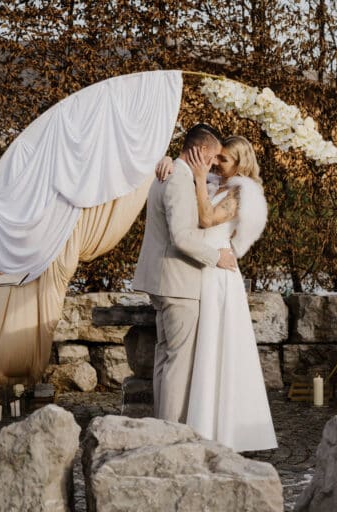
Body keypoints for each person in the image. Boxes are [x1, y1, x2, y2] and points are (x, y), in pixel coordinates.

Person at [156, 135, 277, 452]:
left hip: (220, 273)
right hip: (202, 269)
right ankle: (197, 423)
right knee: (196, 352)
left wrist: (198, 178)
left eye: (223, 159)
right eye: (216, 157)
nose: (215, 163)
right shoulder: (210, 183)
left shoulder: (240, 192)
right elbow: (183, 194)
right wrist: (169, 161)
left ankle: (223, 429)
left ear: (239, 163)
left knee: (218, 347)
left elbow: (207, 218)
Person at [133, 124, 238, 423]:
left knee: (165, 358)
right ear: (202, 151)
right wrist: (216, 257)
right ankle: (171, 432)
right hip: (178, 283)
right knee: (177, 365)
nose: (215, 163)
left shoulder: (169, 174)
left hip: (163, 281)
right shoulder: (178, 180)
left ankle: (161, 427)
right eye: (214, 156)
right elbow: (181, 237)